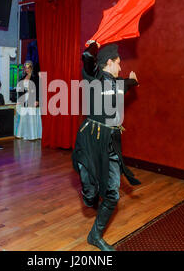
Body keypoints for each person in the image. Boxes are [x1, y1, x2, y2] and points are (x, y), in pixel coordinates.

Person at [72, 41, 141, 251]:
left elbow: (124, 85)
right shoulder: (95, 77)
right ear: (109, 62)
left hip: (110, 142)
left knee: (112, 193)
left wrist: (132, 81)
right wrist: (93, 46)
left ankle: (95, 236)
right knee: (91, 192)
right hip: (91, 140)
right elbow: (87, 58)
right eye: (118, 63)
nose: (121, 67)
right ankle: (89, 193)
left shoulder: (116, 82)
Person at [14, 60, 42, 140]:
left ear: (31, 68)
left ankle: (32, 135)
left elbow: (39, 89)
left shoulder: (36, 78)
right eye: (25, 68)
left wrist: (37, 100)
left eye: (28, 67)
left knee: (31, 116)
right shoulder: (22, 78)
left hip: (32, 99)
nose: (27, 69)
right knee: (23, 116)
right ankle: (22, 134)